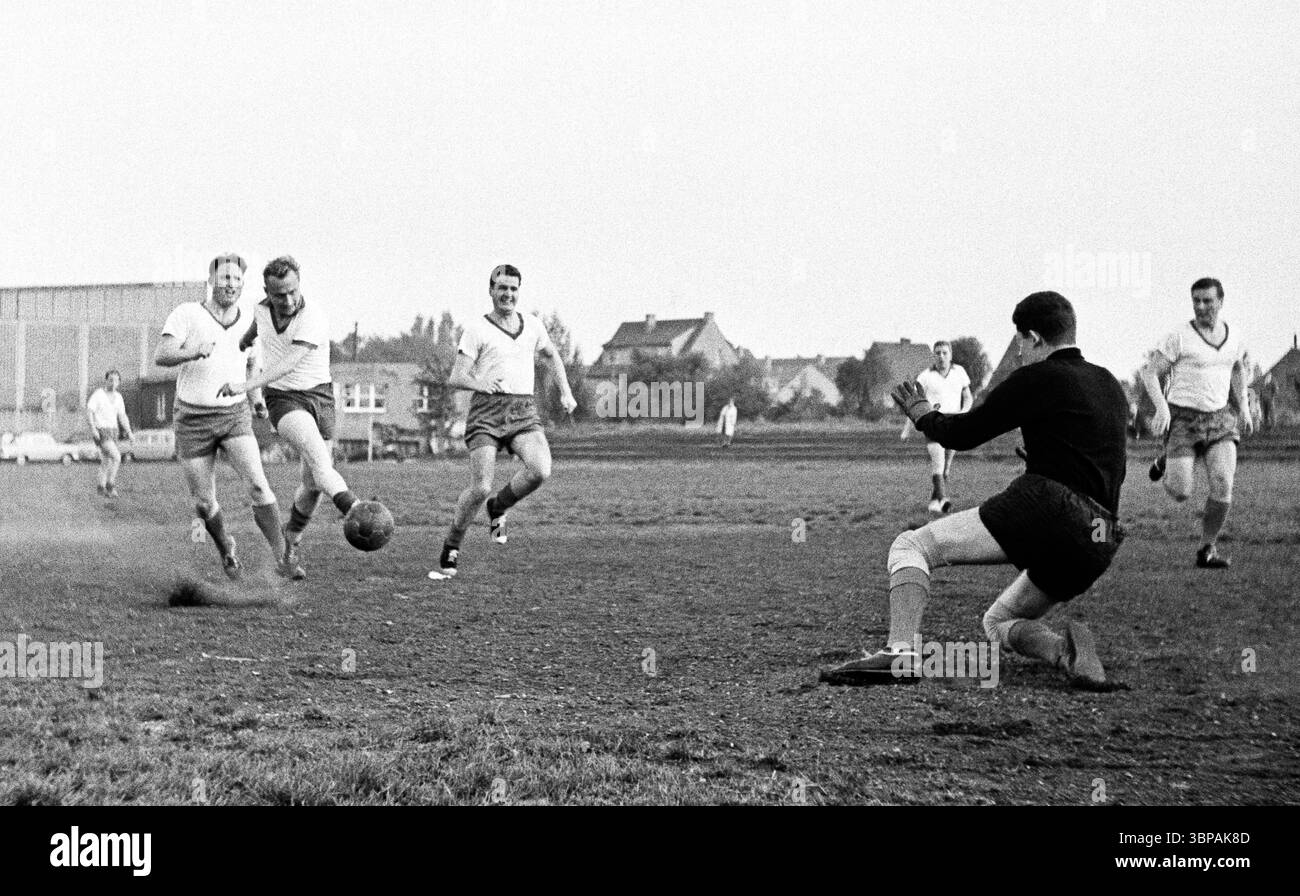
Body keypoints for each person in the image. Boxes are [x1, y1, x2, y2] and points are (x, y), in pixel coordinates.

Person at [820, 292, 1127, 689]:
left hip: (1049, 508)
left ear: (1033, 337)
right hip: (1099, 538)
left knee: (911, 547)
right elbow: (1099, 460)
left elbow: (964, 434)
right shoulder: (1110, 385)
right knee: (996, 622)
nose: (1018, 351)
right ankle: (1063, 652)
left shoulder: (1036, 377)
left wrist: (923, 415)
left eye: (1020, 342)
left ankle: (900, 654)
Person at [154, 253, 297, 580]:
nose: (230, 284)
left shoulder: (251, 321)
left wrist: (257, 399)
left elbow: (251, 365)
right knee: (204, 504)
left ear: (243, 285)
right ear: (211, 280)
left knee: (260, 487)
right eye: (225, 277)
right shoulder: (187, 314)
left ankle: (282, 555)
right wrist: (192, 350)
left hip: (234, 415)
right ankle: (226, 548)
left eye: (236, 279)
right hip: (192, 419)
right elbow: (161, 355)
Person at [431, 264, 577, 579]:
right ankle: (452, 544)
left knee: (540, 469)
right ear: (491, 291)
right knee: (480, 486)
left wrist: (566, 392)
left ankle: (499, 507)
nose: (507, 294)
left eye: (513, 289)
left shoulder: (534, 326)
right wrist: (479, 381)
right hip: (486, 412)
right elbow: (456, 376)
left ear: (518, 292)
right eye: (502, 288)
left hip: (523, 409)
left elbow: (552, 357)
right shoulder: (476, 329)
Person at [220, 255, 360, 580]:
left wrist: (245, 384)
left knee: (311, 484)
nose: (288, 300)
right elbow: (259, 326)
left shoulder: (313, 317)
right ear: (267, 292)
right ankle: (353, 508)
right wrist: (245, 340)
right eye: (279, 294)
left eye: (292, 291)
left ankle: (291, 540)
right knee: (322, 464)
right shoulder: (260, 308)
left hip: (320, 397)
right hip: (283, 398)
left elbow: (288, 363)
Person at [1141, 277, 1253, 569]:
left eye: (1207, 301)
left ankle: (1207, 549)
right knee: (1180, 492)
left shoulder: (1235, 335)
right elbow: (1150, 374)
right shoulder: (1179, 336)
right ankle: (1167, 459)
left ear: (1221, 302)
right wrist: (1162, 409)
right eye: (1196, 301)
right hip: (1183, 418)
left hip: (1220, 419)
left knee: (1223, 483)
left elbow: (1238, 368)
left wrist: (1243, 406)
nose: (1201, 306)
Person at [914, 341, 972, 513]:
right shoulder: (925, 376)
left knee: (946, 466)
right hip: (934, 422)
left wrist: (964, 412)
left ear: (950, 354)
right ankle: (944, 500)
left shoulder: (959, 372)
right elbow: (917, 402)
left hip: (954, 421)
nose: (941, 356)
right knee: (937, 462)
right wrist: (909, 427)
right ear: (933, 355)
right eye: (938, 353)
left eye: (944, 353)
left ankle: (934, 501)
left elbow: (968, 396)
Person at [85, 370, 133, 497]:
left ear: (119, 382)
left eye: (116, 380)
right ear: (106, 380)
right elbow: (89, 411)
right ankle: (110, 485)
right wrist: (93, 429)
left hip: (113, 431)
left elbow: (122, 416)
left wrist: (129, 432)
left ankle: (101, 488)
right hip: (101, 430)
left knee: (106, 461)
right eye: (111, 379)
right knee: (116, 457)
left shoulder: (119, 397)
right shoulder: (98, 394)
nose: (113, 382)